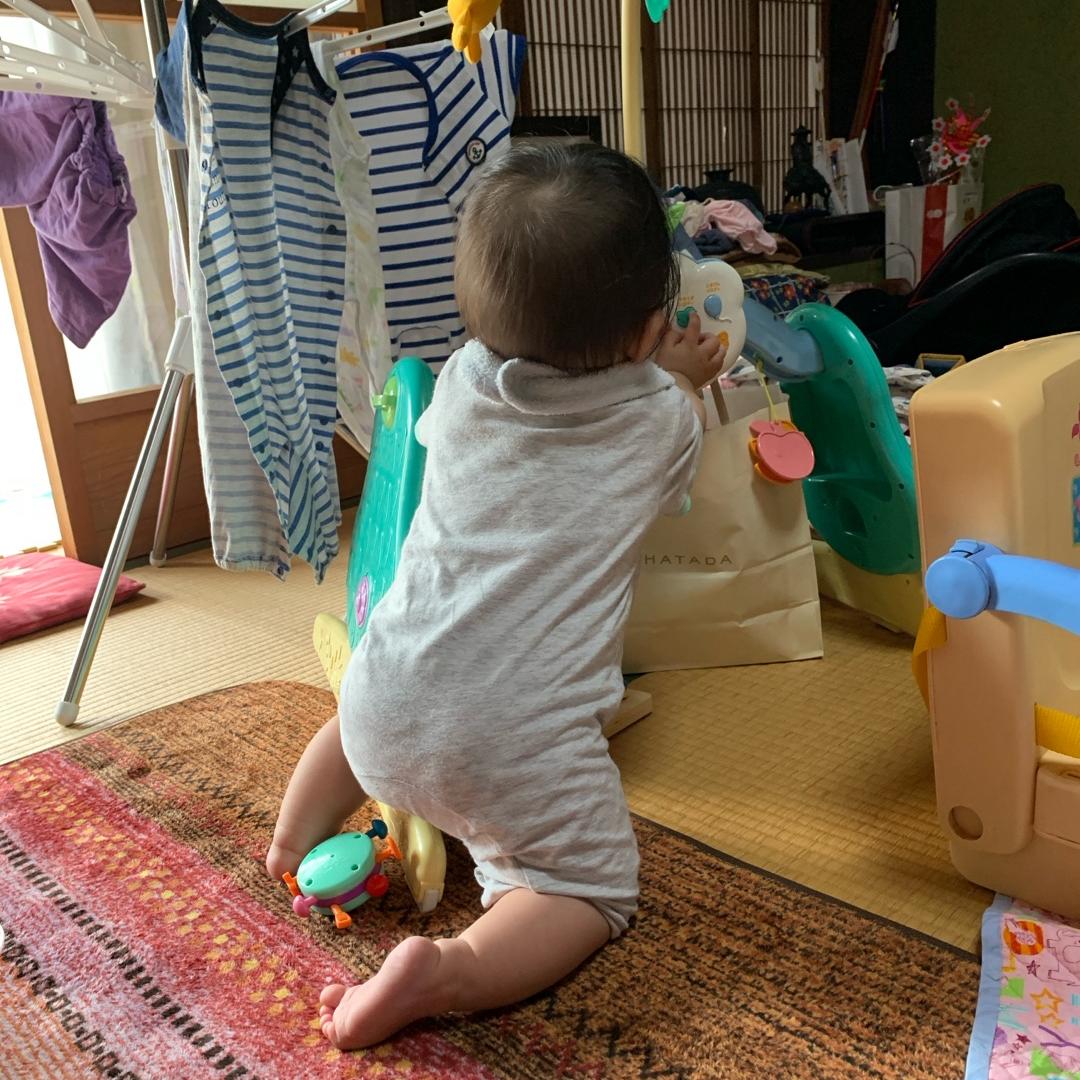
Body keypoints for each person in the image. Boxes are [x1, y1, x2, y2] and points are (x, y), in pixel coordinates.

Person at [266, 142, 728, 1049]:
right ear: (648, 325)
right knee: (591, 890)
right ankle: (451, 971)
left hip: (381, 701)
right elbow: (670, 453)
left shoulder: (463, 380)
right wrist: (683, 376)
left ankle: (290, 843)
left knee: (367, 713)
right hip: (512, 746)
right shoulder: (660, 420)